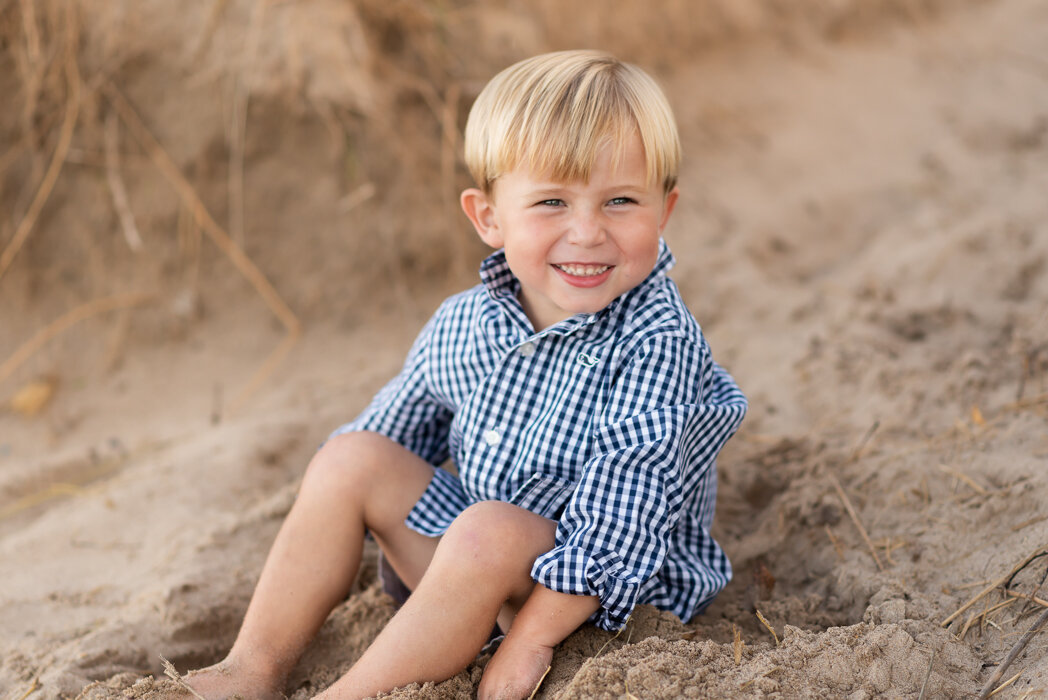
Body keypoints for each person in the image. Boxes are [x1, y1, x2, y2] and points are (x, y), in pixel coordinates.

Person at [185, 49, 747, 700]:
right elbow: (393, 437)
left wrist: (532, 637)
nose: (588, 232)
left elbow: (623, 517)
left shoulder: (659, 342)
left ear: (664, 211)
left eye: (621, 201)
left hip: (606, 596)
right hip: (480, 572)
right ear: (489, 217)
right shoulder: (467, 324)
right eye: (551, 203)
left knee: (490, 529)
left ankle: (348, 694)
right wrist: (345, 511)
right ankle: (250, 668)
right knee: (350, 459)